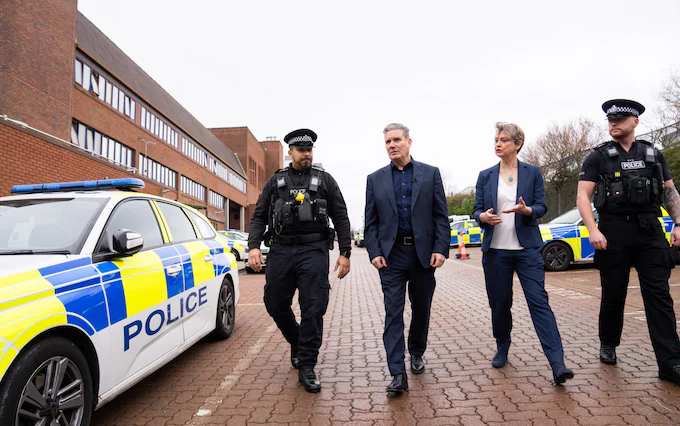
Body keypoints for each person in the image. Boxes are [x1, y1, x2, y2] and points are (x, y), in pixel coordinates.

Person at [577, 99, 680, 385]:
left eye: (620, 119)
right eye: (610, 119)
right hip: (613, 232)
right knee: (614, 294)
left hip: (650, 231)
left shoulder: (653, 153)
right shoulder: (597, 157)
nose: (613, 123)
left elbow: (670, 192)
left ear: (635, 122)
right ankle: (608, 342)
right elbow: (583, 196)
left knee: (659, 297)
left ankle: (671, 363)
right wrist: (592, 230)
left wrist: (678, 223)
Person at [247, 128, 352, 393]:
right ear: (290, 152)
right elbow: (259, 216)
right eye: (301, 150)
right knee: (275, 303)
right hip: (281, 250)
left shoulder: (325, 180)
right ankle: (296, 340)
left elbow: (340, 216)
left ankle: (306, 365)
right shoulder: (276, 182)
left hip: (314, 250)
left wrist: (345, 252)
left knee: (313, 308)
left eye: (309, 150)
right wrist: (253, 247)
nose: (306, 154)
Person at [473, 122, 574, 384]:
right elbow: (476, 211)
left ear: (517, 144)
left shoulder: (533, 173)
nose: (498, 143)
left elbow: (542, 206)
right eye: (496, 139)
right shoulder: (485, 175)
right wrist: (483, 216)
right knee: (500, 303)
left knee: (539, 302)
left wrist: (527, 210)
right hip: (495, 251)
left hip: (527, 250)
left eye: (504, 140)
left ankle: (557, 363)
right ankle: (503, 345)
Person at [364, 123, 450, 395]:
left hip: (423, 254)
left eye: (397, 140)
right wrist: (375, 252)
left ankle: (416, 351)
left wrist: (441, 248)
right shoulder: (375, 179)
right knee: (393, 312)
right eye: (388, 141)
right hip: (392, 256)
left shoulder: (430, 174)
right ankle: (397, 373)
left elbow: (440, 216)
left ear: (409, 142)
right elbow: (371, 223)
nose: (392, 145)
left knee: (421, 307)